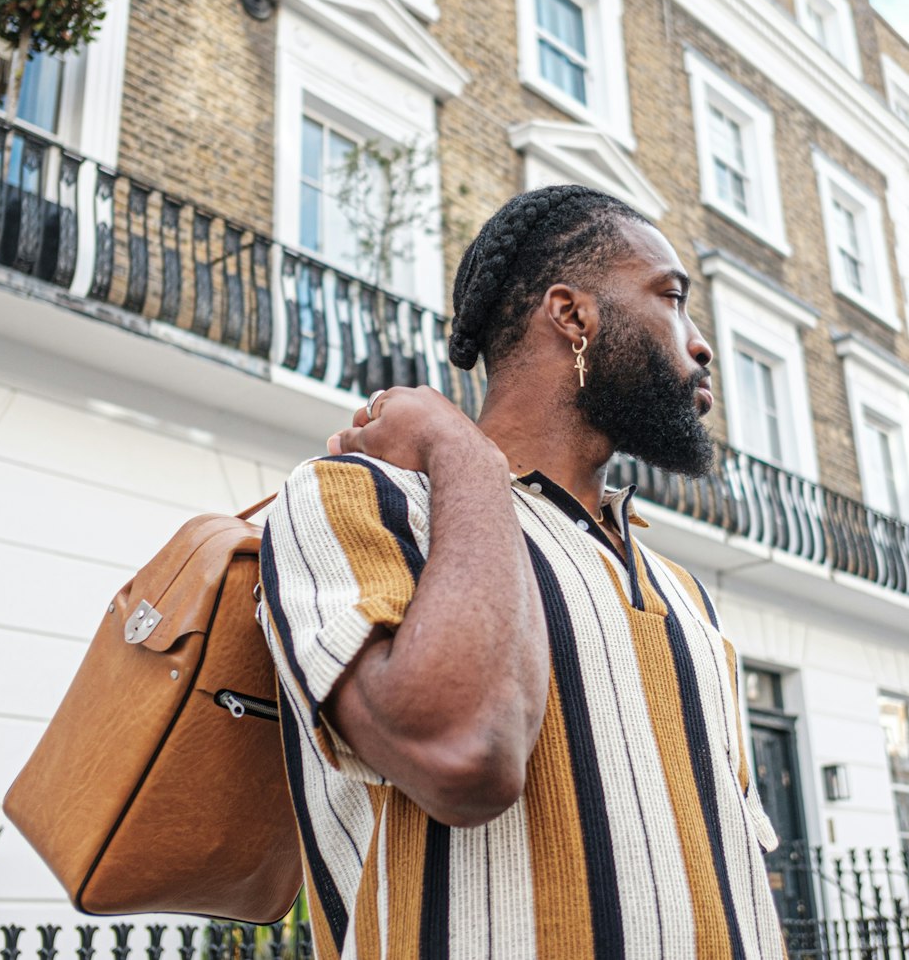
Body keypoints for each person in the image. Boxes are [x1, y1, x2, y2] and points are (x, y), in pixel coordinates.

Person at [259, 185, 784, 959]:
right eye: (672, 299)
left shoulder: (685, 592)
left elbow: (733, 865)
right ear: (571, 316)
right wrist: (463, 451)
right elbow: (463, 751)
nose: (701, 345)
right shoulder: (360, 499)